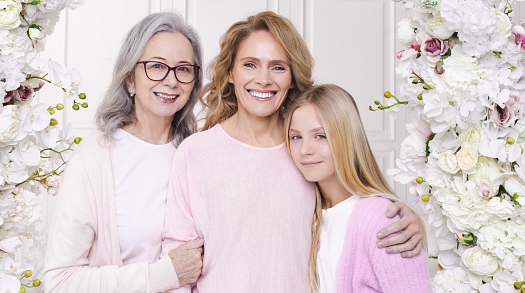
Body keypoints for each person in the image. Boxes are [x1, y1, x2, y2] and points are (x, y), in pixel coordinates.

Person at [161, 11, 424, 292]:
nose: (263, 79)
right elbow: (178, 261)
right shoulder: (195, 153)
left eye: (277, 67)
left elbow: (348, 204)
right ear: (229, 73)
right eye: (250, 64)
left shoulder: (304, 152)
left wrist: (405, 217)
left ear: (292, 78)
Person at [43, 12, 205, 293]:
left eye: (183, 69)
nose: (170, 81)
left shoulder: (200, 155)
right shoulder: (94, 161)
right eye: (156, 66)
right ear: (130, 79)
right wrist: (161, 275)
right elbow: (60, 281)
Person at [285, 84, 431, 292]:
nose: (305, 150)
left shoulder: (383, 219)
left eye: (320, 135)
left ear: (346, 138)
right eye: (296, 137)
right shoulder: (308, 213)